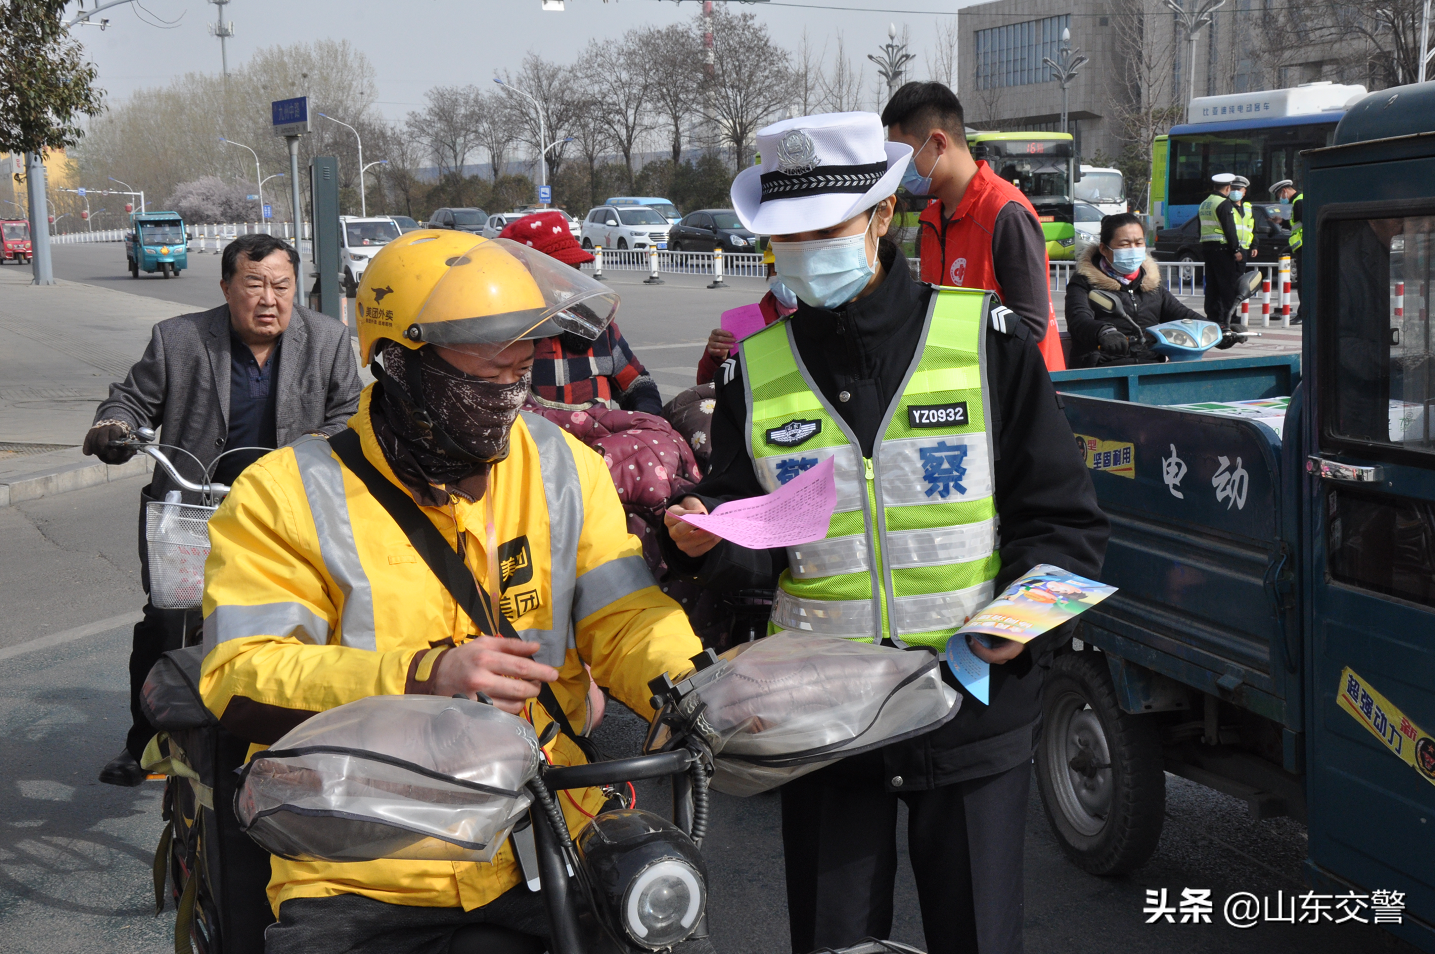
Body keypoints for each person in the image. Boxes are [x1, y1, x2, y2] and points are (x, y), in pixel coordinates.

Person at [661, 111, 1109, 954]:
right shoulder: (752, 371)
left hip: (971, 704)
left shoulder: (985, 342)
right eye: (784, 235)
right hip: (821, 723)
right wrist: (704, 539)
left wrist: (1021, 628)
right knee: (832, 943)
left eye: (822, 227)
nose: (802, 250)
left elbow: (1063, 521)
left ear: (880, 217)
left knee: (975, 934)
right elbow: (739, 534)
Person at [199, 229, 704, 953]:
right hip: (363, 865)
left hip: (551, 827)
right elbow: (240, 676)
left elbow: (624, 615)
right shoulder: (284, 494)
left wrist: (692, 686)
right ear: (399, 364)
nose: (511, 386)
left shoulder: (564, 466)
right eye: (485, 363)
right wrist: (419, 676)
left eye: (522, 360)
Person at [82, 232, 362, 788]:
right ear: (227, 286)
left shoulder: (328, 339)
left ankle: (293, 738)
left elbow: (350, 409)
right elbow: (131, 399)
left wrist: (319, 441)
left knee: (299, 621)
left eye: (281, 286)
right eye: (254, 284)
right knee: (169, 621)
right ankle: (143, 742)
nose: (268, 299)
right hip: (192, 506)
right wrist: (114, 426)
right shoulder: (178, 338)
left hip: (288, 515)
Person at [880, 81, 1068, 372]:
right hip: (966, 389)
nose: (900, 169)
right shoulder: (930, 222)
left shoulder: (1005, 213)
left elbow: (1030, 326)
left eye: (905, 157)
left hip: (1016, 395)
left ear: (939, 143)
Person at [499, 210, 663, 415]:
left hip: (599, 444)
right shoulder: (503, 337)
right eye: (562, 270)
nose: (572, 281)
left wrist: (647, 422)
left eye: (575, 269)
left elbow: (638, 384)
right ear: (524, 276)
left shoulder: (598, 329)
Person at [1065, 212, 1211, 366]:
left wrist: (1217, 328)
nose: (1133, 249)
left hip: (1149, 368)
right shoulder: (1084, 282)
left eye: (1139, 243)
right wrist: (1104, 332)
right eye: (1124, 244)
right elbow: (1079, 320)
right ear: (1104, 249)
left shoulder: (1150, 283)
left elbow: (1182, 314)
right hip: (1102, 370)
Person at [696, 244, 799, 385]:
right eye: (775, 269)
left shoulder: (834, 317)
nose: (782, 275)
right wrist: (717, 357)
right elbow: (707, 384)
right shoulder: (748, 323)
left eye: (791, 268)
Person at [1199, 172, 1245, 327]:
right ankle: (1228, 316)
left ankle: (1213, 315)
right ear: (1228, 188)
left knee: (1212, 284)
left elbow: (1200, 227)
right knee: (1227, 284)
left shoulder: (1205, 203)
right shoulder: (1224, 204)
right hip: (1222, 248)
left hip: (1208, 247)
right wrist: (1236, 249)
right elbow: (1229, 228)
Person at [1270, 178, 1304, 324]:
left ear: (1284, 191)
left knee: (1304, 285)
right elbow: (1297, 226)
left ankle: (1303, 315)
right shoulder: (1299, 201)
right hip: (1302, 248)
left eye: (1279, 196)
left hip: (1304, 249)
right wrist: (1282, 222)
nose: (1280, 199)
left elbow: (1306, 225)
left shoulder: (1299, 202)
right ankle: (1304, 313)